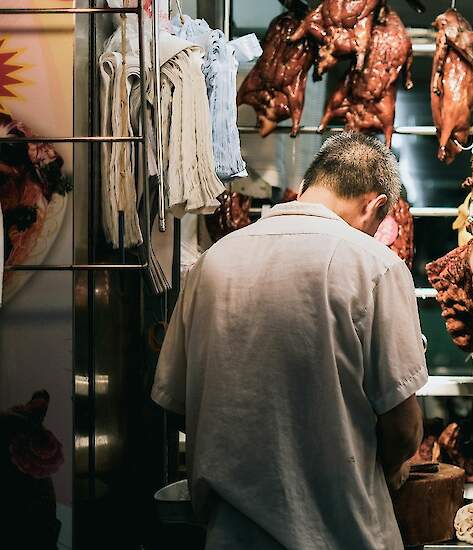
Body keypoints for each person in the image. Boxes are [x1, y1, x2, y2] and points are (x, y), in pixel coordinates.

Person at [151, 132, 427, 549]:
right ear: (377, 206)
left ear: (309, 186)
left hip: (229, 538)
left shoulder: (212, 264)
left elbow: (176, 403)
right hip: (344, 536)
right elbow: (404, 430)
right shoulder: (376, 267)